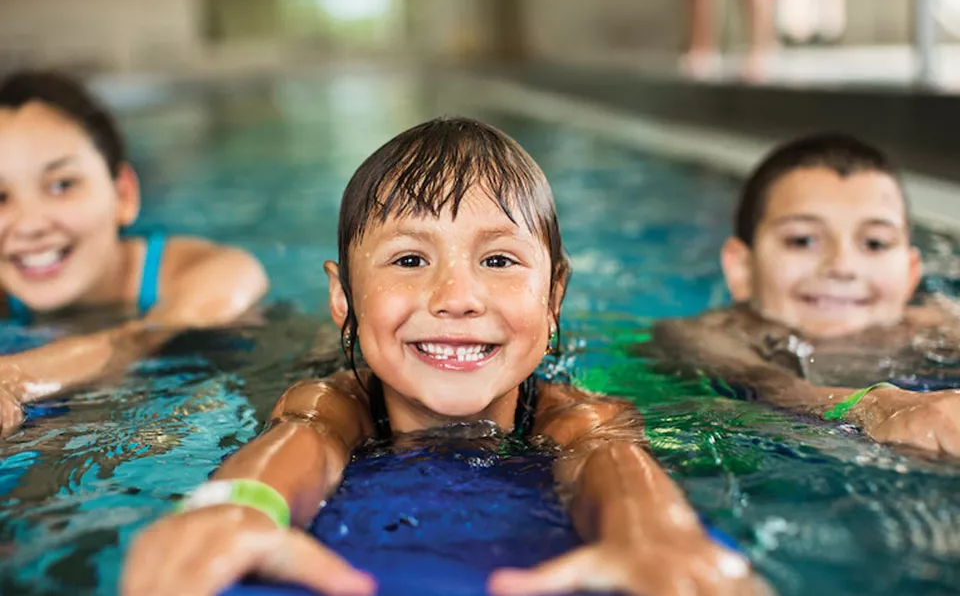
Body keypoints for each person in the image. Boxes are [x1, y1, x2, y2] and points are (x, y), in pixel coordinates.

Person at [123, 117, 769, 596]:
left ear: (554, 298)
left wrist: (652, 532)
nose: (456, 298)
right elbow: (305, 439)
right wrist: (237, 508)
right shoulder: (336, 401)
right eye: (409, 260)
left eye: (498, 260)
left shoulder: (570, 412)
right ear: (343, 298)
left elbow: (609, 458)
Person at [649, 133, 960, 456]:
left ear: (910, 274)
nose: (841, 266)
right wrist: (879, 406)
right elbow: (771, 386)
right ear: (742, 268)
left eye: (875, 243)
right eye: (803, 240)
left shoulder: (934, 325)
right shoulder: (705, 336)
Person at [0, 71, 268, 438]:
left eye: (62, 185)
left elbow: (143, 338)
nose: (29, 225)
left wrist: (15, 379)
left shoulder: (215, 272)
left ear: (123, 194)